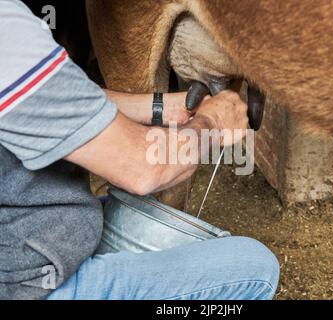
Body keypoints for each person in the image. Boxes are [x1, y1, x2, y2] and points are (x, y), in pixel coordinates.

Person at [0, 0, 280, 300]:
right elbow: (143, 170)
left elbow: (54, 100)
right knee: (256, 269)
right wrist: (212, 124)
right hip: (29, 287)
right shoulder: (9, 32)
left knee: (133, 215)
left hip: (25, 244)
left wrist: (162, 107)